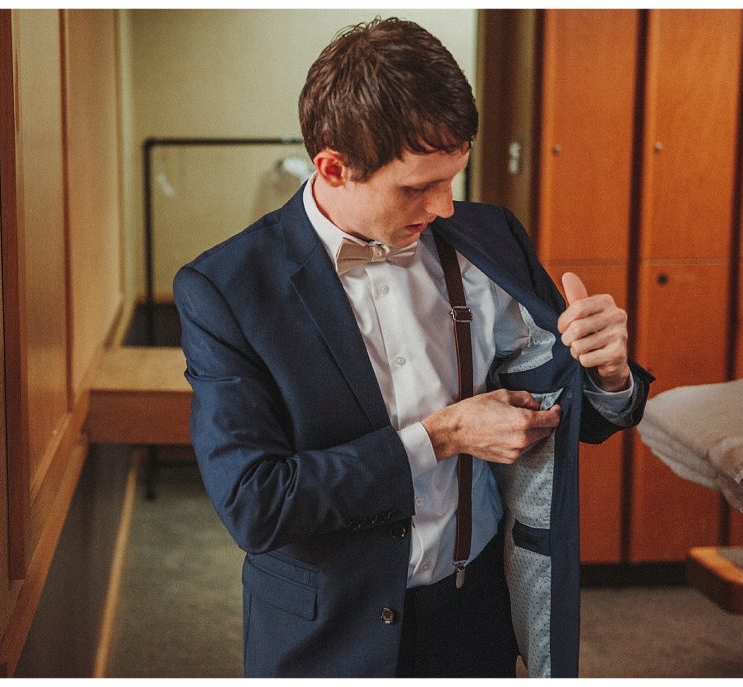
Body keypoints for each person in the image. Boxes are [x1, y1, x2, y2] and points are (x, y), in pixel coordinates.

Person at [173, 17, 652, 678]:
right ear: (333, 167)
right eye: (417, 186)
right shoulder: (225, 289)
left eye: (452, 177)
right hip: (328, 637)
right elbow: (259, 503)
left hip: (475, 614)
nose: (446, 206)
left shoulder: (493, 236)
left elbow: (568, 417)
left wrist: (609, 371)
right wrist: (443, 435)